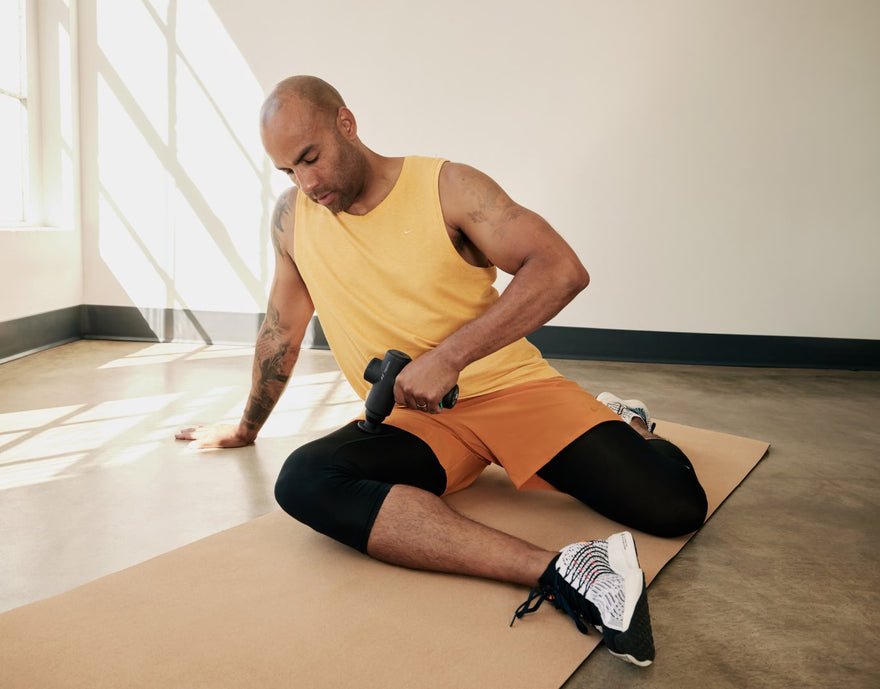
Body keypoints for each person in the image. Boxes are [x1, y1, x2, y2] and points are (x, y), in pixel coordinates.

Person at [176, 75, 708, 666]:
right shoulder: (293, 219)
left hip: (510, 390)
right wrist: (246, 429)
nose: (307, 183)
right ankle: (565, 571)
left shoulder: (448, 186)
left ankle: (624, 423)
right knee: (303, 480)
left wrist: (449, 357)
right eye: (288, 172)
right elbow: (282, 329)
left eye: (311, 158)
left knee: (674, 507)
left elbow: (559, 269)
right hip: (414, 415)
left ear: (346, 125)